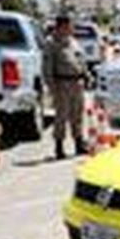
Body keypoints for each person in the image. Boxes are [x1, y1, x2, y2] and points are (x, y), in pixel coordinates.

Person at [42, 15, 87, 159]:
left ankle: (79, 143)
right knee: (61, 116)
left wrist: (86, 75)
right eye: (68, 26)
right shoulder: (51, 43)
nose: (71, 29)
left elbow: (80, 60)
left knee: (77, 115)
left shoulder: (72, 42)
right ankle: (59, 147)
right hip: (62, 84)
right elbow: (47, 67)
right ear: (60, 26)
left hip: (77, 83)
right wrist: (51, 87)